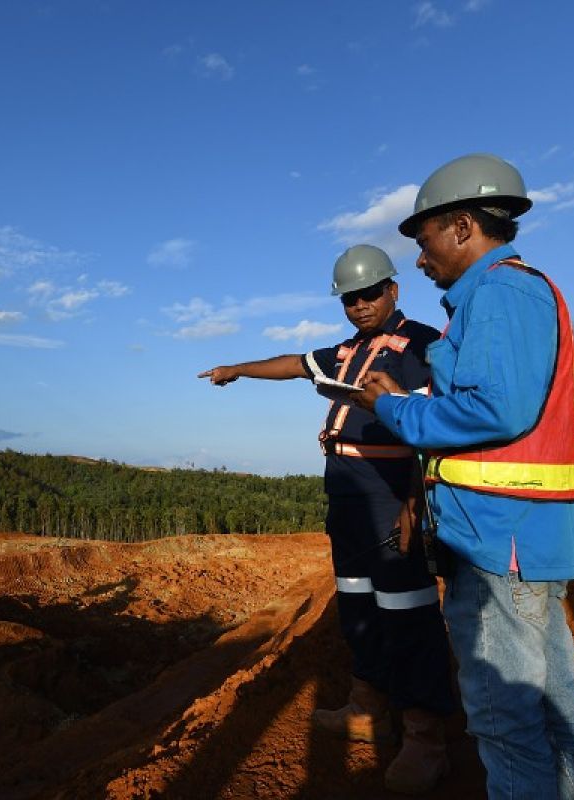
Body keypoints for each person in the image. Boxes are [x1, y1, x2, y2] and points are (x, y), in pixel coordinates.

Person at [353, 153, 574, 798]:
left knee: (505, 720)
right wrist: (410, 403)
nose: (419, 260)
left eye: (423, 241)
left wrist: (389, 408)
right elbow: (495, 405)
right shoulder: (507, 292)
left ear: (464, 225)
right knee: (556, 706)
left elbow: (495, 408)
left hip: (499, 535)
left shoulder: (500, 291)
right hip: (514, 533)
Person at [199, 244, 455, 795]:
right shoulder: (349, 350)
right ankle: (367, 710)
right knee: (358, 599)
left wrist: (415, 501)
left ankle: (425, 736)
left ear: (393, 289)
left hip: (390, 490)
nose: (359, 306)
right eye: (349, 299)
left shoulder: (426, 346)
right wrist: (238, 369)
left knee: (407, 608)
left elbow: (434, 425)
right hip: (346, 488)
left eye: (368, 294)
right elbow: (295, 364)